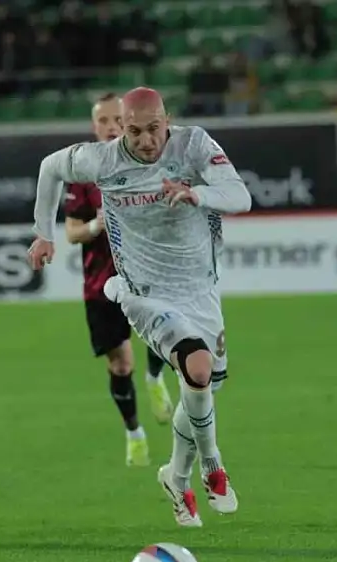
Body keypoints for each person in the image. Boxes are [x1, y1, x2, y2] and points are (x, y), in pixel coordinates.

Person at [27, 87, 252, 528]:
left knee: (199, 389)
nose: (146, 140)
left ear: (167, 120)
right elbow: (49, 168)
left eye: (154, 129)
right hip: (142, 291)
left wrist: (196, 194)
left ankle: (176, 475)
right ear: (122, 127)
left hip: (199, 288)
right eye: (134, 131)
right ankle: (213, 465)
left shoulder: (194, 145)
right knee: (198, 368)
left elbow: (240, 197)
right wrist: (43, 233)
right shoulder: (103, 159)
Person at [63, 92, 175, 469]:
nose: (110, 127)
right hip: (100, 283)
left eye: (117, 120)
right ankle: (134, 434)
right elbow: (72, 232)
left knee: (165, 334)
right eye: (103, 122)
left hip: (147, 273)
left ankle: (156, 376)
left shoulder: (151, 159)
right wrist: (99, 221)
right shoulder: (83, 172)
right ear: (94, 126)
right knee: (119, 364)